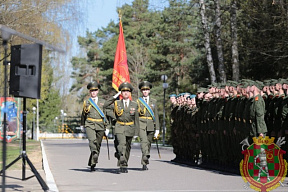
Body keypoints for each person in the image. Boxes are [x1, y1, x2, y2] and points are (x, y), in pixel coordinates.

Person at [103, 82, 139, 173]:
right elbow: (105, 106)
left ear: (130, 93)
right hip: (119, 127)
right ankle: (122, 161)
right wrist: (115, 96)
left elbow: (136, 119)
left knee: (127, 147)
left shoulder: (134, 104)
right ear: (121, 93)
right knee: (121, 145)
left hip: (130, 127)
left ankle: (124, 164)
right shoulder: (116, 103)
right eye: (123, 91)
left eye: (127, 91)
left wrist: (136, 132)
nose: (125, 93)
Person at [80, 81, 109, 172]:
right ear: (89, 92)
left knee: (98, 144)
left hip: (100, 125)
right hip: (90, 124)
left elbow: (106, 115)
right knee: (92, 141)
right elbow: (83, 114)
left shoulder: (103, 102)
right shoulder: (87, 102)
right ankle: (94, 153)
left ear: (98, 91)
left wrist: (107, 127)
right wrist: (82, 124)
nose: (93, 92)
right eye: (92, 90)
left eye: (95, 90)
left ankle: (93, 163)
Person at [137, 81, 160, 170]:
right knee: (143, 142)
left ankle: (145, 161)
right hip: (141, 124)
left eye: (147, 90)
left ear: (149, 91)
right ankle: (145, 158)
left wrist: (157, 129)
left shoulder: (154, 101)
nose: (145, 91)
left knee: (148, 143)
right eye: (143, 90)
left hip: (151, 125)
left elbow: (156, 115)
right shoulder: (138, 101)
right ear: (141, 91)